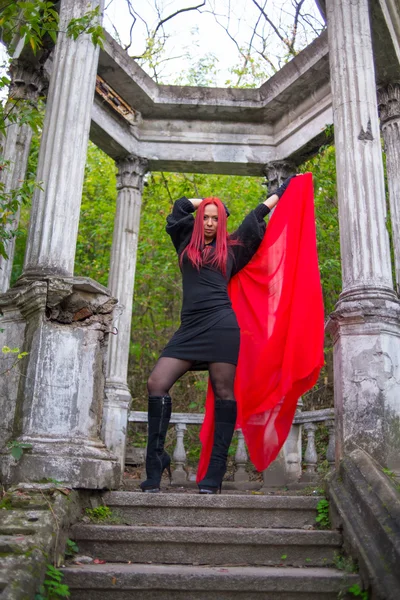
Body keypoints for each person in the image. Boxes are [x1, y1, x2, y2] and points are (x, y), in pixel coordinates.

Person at [140, 175, 295, 494]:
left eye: (215, 218)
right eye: (206, 218)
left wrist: (280, 192)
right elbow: (180, 206)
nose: (209, 222)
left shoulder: (234, 248)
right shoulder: (184, 240)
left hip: (222, 325)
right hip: (190, 328)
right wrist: (210, 201)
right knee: (157, 383)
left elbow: (256, 216)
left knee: (224, 391)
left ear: (221, 223)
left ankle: (215, 472)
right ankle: (156, 461)